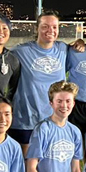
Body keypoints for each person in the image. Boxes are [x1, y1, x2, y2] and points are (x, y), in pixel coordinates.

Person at [10, 10, 71, 153]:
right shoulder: (21, 51)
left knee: (49, 166)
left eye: (54, 27)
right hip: (26, 121)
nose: (50, 30)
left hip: (55, 120)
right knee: (25, 167)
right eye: (45, 26)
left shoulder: (63, 49)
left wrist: (80, 42)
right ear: (37, 28)